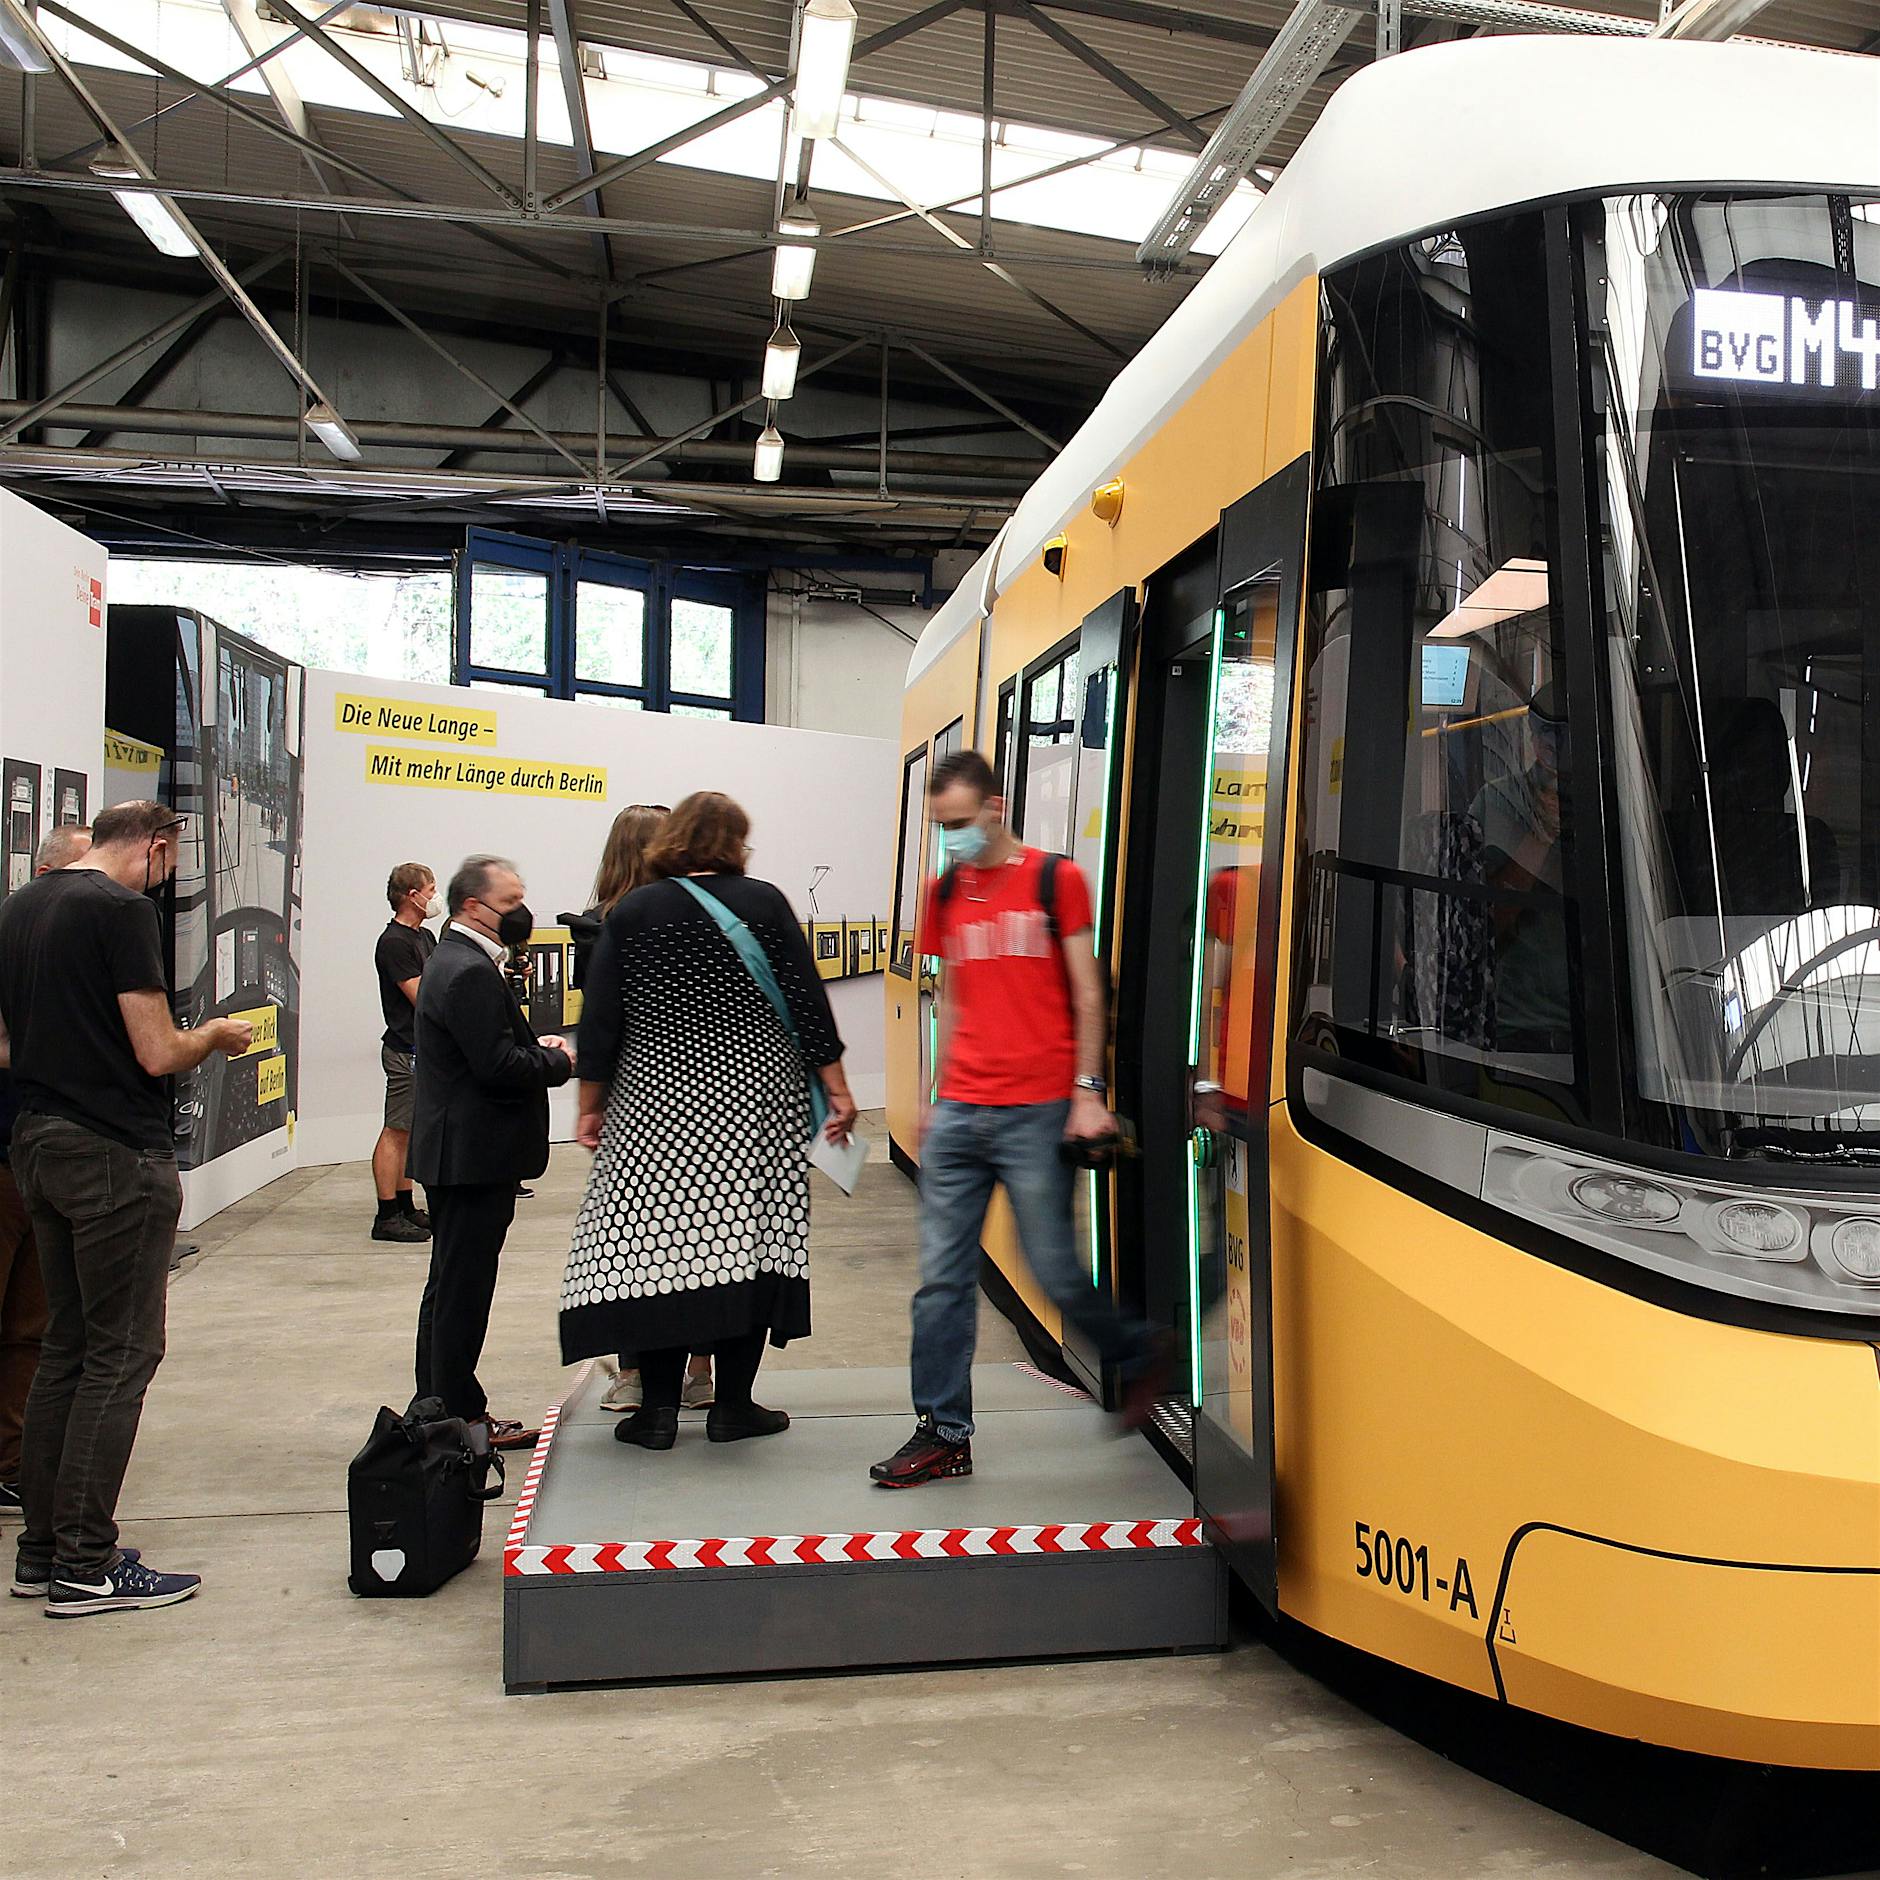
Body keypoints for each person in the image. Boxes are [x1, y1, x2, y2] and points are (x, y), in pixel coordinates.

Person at [870, 750, 1161, 1490]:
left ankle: (1141, 1349)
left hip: (1038, 1109)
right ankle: (943, 1432)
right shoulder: (942, 895)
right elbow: (956, 1000)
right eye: (941, 827)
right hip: (964, 1111)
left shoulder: (1052, 880)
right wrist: (936, 1095)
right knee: (940, 1284)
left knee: (1055, 1271)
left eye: (961, 823)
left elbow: (1088, 993)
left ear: (995, 808)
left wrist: (1088, 1090)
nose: (952, 839)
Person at [0, 801, 253, 1613]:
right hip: (114, 1153)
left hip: (36, 1141)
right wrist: (211, 1035)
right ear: (154, 843)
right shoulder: (119, 910)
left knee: (66, 1350)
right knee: (121, 1355)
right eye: (171, 856)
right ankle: (85, 1563)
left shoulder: (21, 905)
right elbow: (156, 1048)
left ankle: (43, 1551)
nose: (170, 871)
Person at [558, 792, 856, 1452]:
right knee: (750, 1244)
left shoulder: (633, 911)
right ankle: (732, 1407)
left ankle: (657, 1412)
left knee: (657, 1249)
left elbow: (602, 1017)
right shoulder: (765, 901)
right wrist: (836, 1089)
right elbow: (807, 1003)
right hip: (755, 1105)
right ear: (732, 842)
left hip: (654, 1107)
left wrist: (589, 1104)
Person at [409, 855, 573, 1449]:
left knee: (450, 1287)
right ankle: (456, 1420)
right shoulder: (469, 970)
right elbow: (498, 1065)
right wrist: (558, 1060)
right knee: (463, 1292)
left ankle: (443, 1407)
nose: (522, 911)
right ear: (474, 907)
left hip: (460, 1153)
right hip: (473, 1156)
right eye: (511, 901)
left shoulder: (454, 960)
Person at [565, 803, 714, 1417]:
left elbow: (598, 1023)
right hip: (707, 1099)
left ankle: (633, 1377)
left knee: (636, 1245)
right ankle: (702, 1372)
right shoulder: (701, 913)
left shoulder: (598, 924)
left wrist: (590, 1105)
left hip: (633, 1104)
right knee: (708, 1237)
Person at [0, 824, 92, 1518]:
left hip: (34, 1160)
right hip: (11, 1155)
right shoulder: (15, 944)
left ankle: (12, 1463)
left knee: (36, 1326)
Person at [371, 862, 441, 1244]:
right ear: (412, 896)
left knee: (410, 1131)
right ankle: (386, 1214)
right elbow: (422, 995)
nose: (435, 896)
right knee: (396, 1130)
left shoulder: (424, 937)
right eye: (431, 889)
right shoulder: (394, 942)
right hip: (404, 1049)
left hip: (423, 1049)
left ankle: (405, 1204)